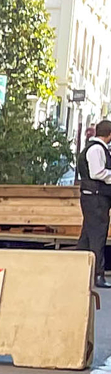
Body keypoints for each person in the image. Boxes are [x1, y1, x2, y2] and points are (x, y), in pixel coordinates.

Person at [82, 119, 111, 278]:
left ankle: (79, 269)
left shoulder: (95, 148)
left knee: (87, 235)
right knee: (98, 235)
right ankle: (97, 274)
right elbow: (97, 173)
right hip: (96, 197)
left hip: (93, 197)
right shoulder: (96, 150)